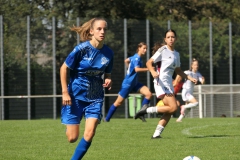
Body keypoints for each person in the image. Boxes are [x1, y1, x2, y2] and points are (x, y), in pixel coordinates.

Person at [60, 18, 114, 160]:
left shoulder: (109, 53)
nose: (102, 32)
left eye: (104, 29)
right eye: (99, 29)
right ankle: (70, 125)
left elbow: (107, 74)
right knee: (72, 138)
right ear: (91, 31)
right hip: (75, 97)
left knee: (90, 134)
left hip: (95, 98)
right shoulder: (81, 49)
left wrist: (108, 80)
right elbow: (64, 68)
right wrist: (65, 92)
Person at [134, 29, 197, 139]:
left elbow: (178, 71)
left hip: (168, 84)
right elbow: (149, 62)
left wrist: (189, 77)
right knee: (173, 108)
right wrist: (153, 72)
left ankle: (156, 134)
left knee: (170, 110)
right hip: (160, 82)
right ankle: (146, 110)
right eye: (168, 37)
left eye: (172, 37)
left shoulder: (176, 54)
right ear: (165, 39)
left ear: (175, 39)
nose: (171, 39)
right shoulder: (163, 50)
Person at [104, 42, 152, 122]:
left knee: (148, 94)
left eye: (146, 48)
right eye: (144, 48)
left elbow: (126, 60)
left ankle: (141, 113)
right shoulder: (137, 58)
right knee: (118, 102)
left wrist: (129, 69)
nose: (145, 50)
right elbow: (137, 69)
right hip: (128, 84)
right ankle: (107, 119)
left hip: (135, 83)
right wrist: (149, 69)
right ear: (139, 48)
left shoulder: (134, 57)